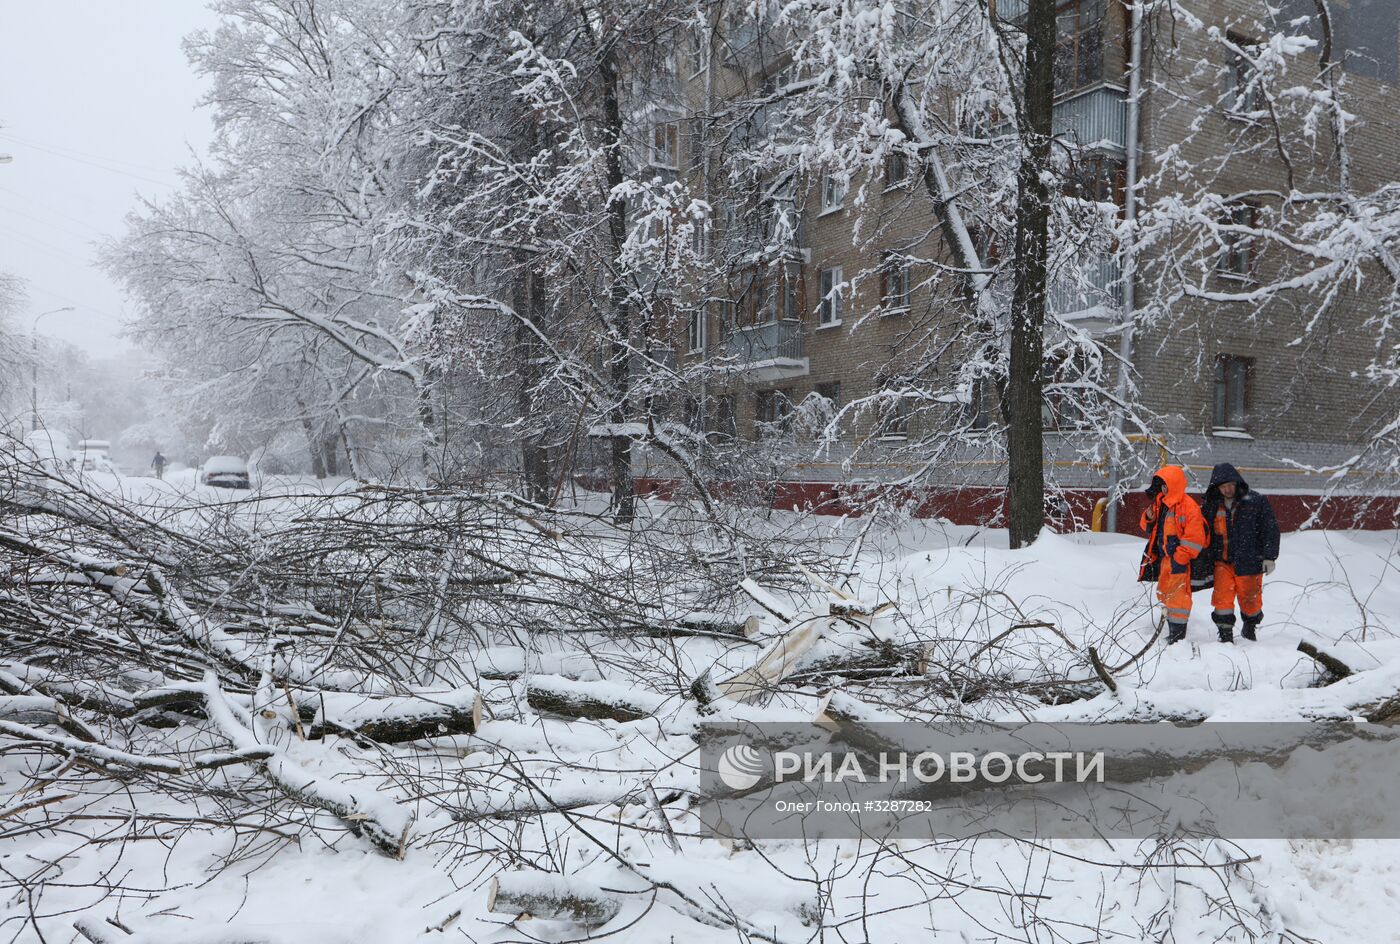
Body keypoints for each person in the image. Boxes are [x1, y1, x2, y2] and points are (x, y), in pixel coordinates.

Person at [1200, 462, 1280, 642]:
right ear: (1217, 488)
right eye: (1223, 487)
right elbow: (1202, 530)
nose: (1227, 490)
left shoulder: (1256, 501)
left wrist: (1270, 557)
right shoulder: (1212, 505)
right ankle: (1225, 634)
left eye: (1230, 485)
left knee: (1250, 599)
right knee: (1222, 600)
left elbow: (1270, 529)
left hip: (1249, 561)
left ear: (1237, 483)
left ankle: (1250, 627)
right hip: (1222, 562)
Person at [1137, 464, 1208, 645]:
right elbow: (1146, 527)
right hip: (1165, 559)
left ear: (1172, 484)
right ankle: (1171, 627)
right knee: (1164, 593)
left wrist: (1180, 557)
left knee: (1178, 598)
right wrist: (1149, 516)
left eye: (1164, 485)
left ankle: (1177, 635)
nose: (1162, 489)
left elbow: (1195, 538)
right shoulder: (1161, 504)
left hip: (1178, 561)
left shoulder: (1188, 507)